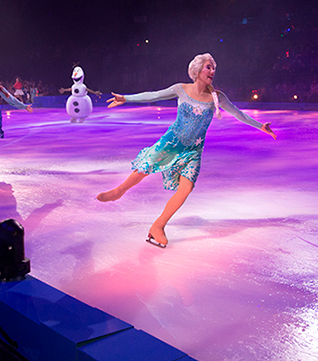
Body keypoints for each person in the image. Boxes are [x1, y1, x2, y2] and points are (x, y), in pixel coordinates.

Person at [97, 53, 276, 248]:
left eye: (214, 68)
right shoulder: (180, 89)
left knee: (186, 188)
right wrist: (126, 98)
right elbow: (154, 95)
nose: (212, 71)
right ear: (198, 69)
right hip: (172, 143)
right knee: (145, 168)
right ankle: (119, 191)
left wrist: (260, 126)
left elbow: (238, 114)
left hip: (194, 150)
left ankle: (158, 225)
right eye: (209, 67)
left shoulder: (217, 97)